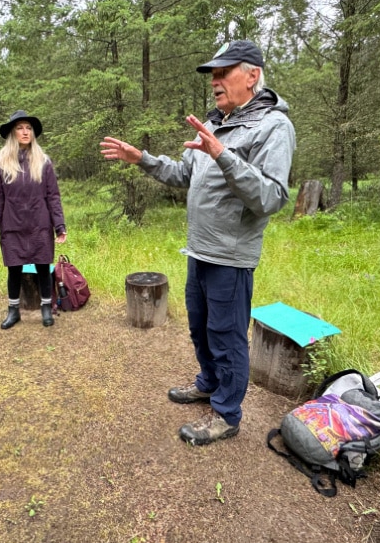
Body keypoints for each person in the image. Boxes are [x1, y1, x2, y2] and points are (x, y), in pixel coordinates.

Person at [100, 40, 295, 445]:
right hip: (199, 250)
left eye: (224, 73)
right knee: (201, 329)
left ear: (253, 76)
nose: (215, 81)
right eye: (213, 75)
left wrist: (223, 154)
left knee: (226, 336)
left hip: (231, 256)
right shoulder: (216, 123)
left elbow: (271, 197)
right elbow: (183, 175)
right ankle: (208, 384)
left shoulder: (273, 126)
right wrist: (142, 159)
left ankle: (226, 414)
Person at [0, 110, 67, 329]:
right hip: (12, 225)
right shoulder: (1, 163)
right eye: (20, 128)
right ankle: (13, 311)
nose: (25, 132)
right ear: (13, 133)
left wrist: (59, 226)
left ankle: (46, 307)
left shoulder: (43, 161)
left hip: (40, 224)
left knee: (43, 266)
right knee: (14, 269)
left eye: (28, 128)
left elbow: (53, 196)